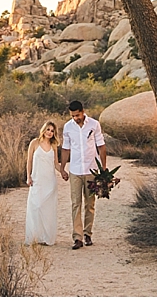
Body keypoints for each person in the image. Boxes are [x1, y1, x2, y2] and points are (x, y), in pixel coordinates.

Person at [60, 100, 107, 250]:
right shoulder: (68, 127)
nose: (76, 118)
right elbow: (66, 149)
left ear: (83, 111)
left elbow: (101, 146)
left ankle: (87, 233)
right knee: (75, 204)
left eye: (78, 115)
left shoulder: (94, 125)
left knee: (90, 204)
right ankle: (77, 238)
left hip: (91, 170)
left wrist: (103, 168)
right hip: (75, 170)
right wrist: (62, 168)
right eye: (73, 116)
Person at [25, 120, 68, 246]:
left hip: (50, 181)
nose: (49, 132)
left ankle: (45, 237)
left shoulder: (54, 145)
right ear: (44, 130)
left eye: (52, 131)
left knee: (47, 209)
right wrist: (28, 176)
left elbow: (55, 163)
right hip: (37, 179)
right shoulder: (34, 143)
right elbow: (29, 161)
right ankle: (34, 236)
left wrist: (63, 172)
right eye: (48, 129)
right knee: (36, 206)